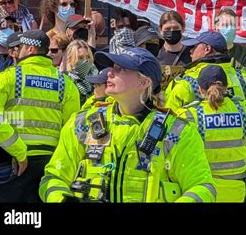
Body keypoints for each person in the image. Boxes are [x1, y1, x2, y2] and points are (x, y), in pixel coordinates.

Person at [39, 48, 216, 203]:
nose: (109, 73)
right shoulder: (83, 123)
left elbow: (202, 187)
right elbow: (53, 178)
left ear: (144, 82)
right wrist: (61, 199)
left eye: (120, 69)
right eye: (111, 67)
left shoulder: (177, 131)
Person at [0, 29, 80, 202]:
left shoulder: (8, 78)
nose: (16, 51)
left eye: (19, 47)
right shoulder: (66, 84)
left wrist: (18, 150)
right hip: (51, 161)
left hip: (14, 158)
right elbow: (72, 129)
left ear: (30, 49)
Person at [165, 31, 246, 163]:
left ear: (207, 49)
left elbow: (168, 131)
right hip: (237, 171)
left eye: (194, 47)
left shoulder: (184, 84)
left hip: (196, 173)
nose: (190, 52)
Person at [177, 65, 246, 202]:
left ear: (201, 89)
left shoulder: (189, 115)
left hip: (204, 190)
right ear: (226, 87)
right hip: (236, 190)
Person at [63, 39, 98, 105]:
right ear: (69, 59)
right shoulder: (64, 80)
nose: (85, 61)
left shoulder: (97, 80)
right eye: (80, 58)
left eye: (88, 57)